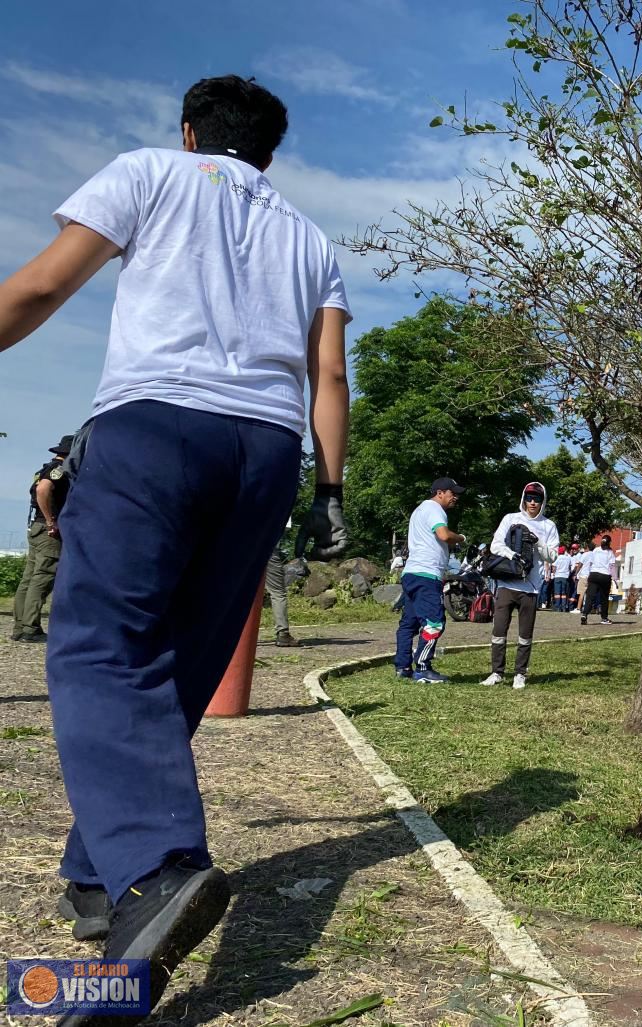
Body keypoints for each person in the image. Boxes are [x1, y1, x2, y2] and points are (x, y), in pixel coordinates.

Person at [0, 74, 353, 1018]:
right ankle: (96, 872)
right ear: (269, 155)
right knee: (185, 656)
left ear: (191, 131)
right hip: (267, 452)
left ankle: (156, 869)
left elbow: (42, 284)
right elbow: (327, 372)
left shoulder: (151, 172)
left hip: (157, 425)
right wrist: (330, 490)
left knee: (101, 644)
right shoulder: (310, 239)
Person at [481, 481, 559, 689]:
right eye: (529, 498)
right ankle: (497, 672)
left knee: (525, 633)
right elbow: (495, 545)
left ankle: (520, 673)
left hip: (531, 586)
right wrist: (514, 556)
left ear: (543, 502)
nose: (532, 503)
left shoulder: (548, 526)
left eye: (537, 499)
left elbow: (552, 557)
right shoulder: (510, 518)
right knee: (499, 629)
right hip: (507, 582)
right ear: (523, 498)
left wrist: (537, 542)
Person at [394, 479, 466, 683]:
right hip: (427, 574)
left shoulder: (419, 510)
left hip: (411, 572)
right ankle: (423, 668)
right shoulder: (435, 509)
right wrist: (460, 538)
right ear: (440, 493)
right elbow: (443, 535)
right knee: (434, 622)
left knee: (408, 623)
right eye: (453, 493)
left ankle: (402, 666)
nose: (456, 497)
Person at [10, 434, 73, 642]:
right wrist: (50, 521)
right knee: (43, 577)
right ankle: (30, 628)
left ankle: (20, 627)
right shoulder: (59, 470)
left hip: (36, 528)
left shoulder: (43, 468)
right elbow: (43, 490)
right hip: (48, 530)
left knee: (29, 578)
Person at [263, 519, 300, 647]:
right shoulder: (282, 501)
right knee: (278, 592)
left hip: (240, 548)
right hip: (268, 548)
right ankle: (283, 633)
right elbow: (283, 529)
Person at [581, 534, 618, 625]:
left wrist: (589, 575)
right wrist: (615, 579)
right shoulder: (610, 553)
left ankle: (585, 614)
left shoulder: (595, 550)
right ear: (609, 543)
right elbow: (612, 567)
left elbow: (590, 563)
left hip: (593, 575)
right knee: (604, 598)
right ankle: (604, 618)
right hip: (605, 576)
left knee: (590, 596)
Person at [551, 545, 573, 612]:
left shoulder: (557, 558)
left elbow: (554, 568)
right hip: (565, 577)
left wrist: (554, 573)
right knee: (564, 593)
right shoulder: (568, 558)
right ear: (564, 552)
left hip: (557, 576)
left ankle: (557, 607)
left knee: (557, 593)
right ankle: (563, 607)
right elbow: (570, 568)